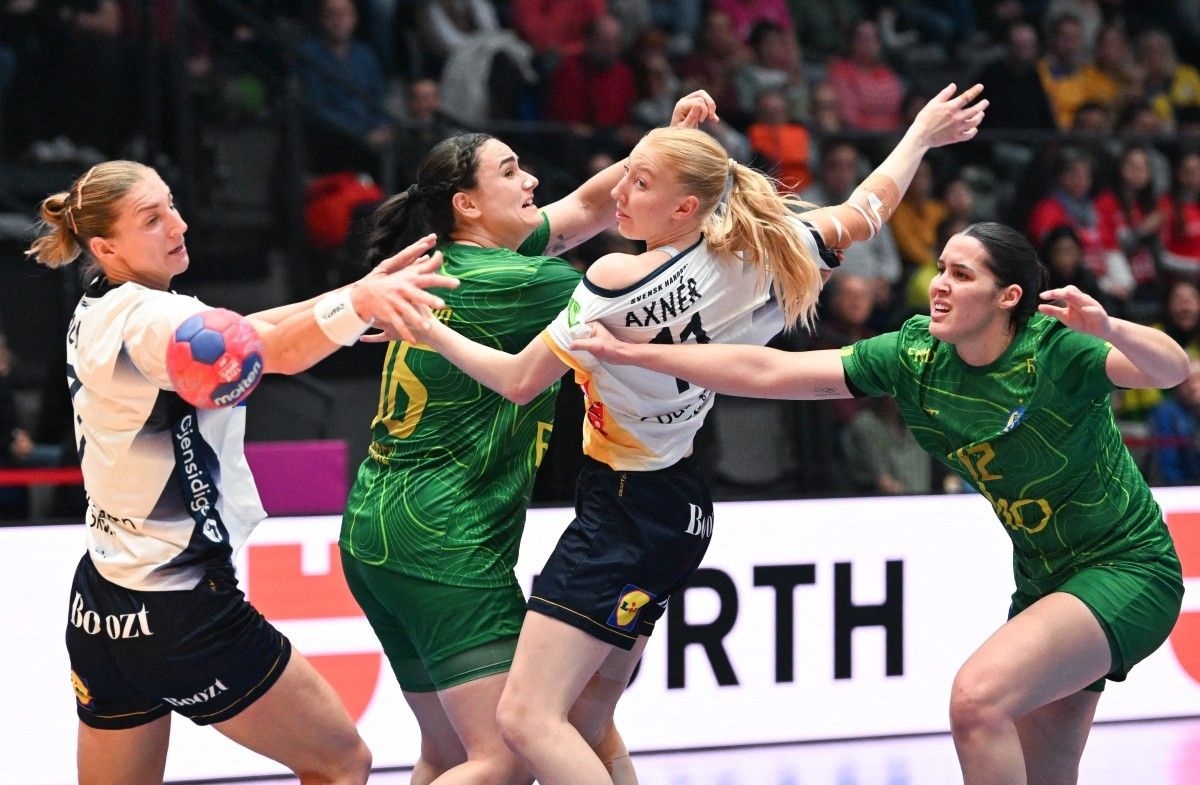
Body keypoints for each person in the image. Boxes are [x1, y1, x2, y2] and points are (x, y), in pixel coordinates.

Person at [390, 83, 986, 785]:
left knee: (526, 719)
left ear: (683, 206)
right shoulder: (773, 252)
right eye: (628, 172)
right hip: (679, 511)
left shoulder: (615, 279)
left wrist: (426, 326)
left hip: (620, 509)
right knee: (587, 716)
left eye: (639, 182)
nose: (620, 192)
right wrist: (918, 133)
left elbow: (522, 380)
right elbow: (867, 208)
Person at [572, 220, 1187, 785]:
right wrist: (635, 354)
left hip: (1128, 567)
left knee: (977, 699)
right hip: (1043, 581)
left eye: (962, 275)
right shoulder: (915, 358)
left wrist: (1107, 326)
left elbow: (1169, 368)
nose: (940, 286)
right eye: (941, 268)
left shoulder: (1058, 351)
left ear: (1009, 298)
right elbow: (765, 371)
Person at [25, 160, 455, 785]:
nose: (178, 224)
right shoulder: (155, 318)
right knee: (342, 764)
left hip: (101, 606)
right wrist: (358, 303)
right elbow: (267, 352)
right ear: (105, 246)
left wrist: (351, 301)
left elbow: (246, 329)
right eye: (153, 219)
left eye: (171, 204)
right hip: (181, 608)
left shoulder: (102, 307)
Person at [339, 91, 724, 785]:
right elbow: (627, 267)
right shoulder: (529, 282)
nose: (532, 182)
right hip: (443, 536)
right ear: (467, 203)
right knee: (510, 757)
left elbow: (581, 210)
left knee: (450, 753)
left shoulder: (462, 262)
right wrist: (672, 188)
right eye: (512, 172)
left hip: (374, 528)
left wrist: (661, 147)